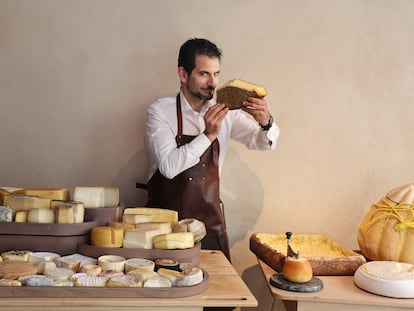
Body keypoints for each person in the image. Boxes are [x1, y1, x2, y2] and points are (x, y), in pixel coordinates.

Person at [144, 38, 279, 262]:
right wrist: (208, 135)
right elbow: (168, 167)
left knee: (218, 291)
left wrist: (266, 122)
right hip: (161, 228)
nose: (213, 82)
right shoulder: (159, 112)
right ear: (183, 74)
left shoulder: (226, 112)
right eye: (204, 74)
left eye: (216, 74)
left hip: (209, 225)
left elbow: (261, 143)